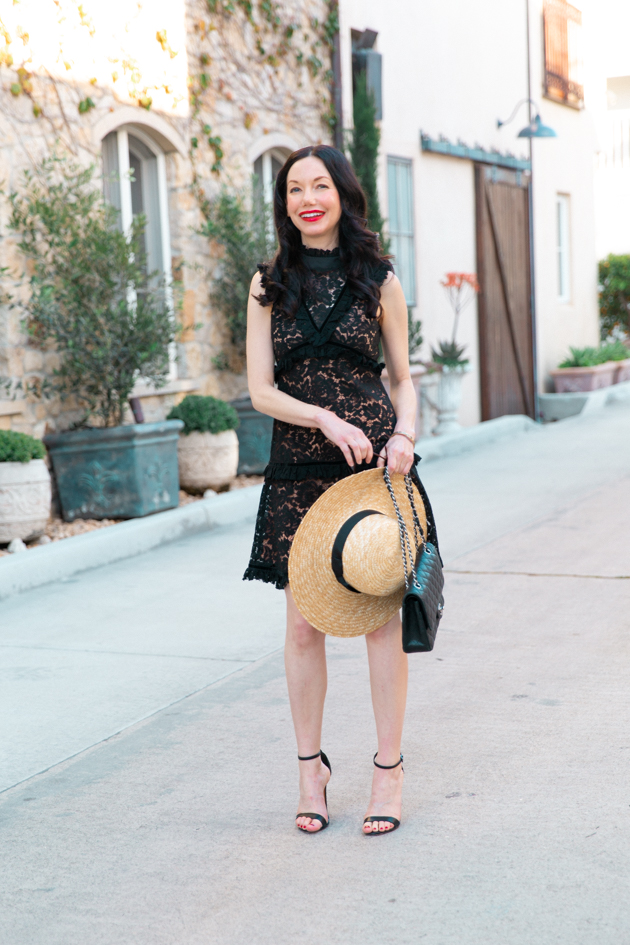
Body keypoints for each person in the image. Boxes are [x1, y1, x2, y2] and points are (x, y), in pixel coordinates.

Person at [244, 145, 438, 834]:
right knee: (303, 625)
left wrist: (405, 436)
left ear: (342, 193)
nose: (306, 198)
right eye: (293, 188)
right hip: (298, 468)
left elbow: (403, 378)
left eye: (318, 184)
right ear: (284, 204)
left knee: (379, 620)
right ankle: (310, 770)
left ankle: (388, 771)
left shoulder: (377, 276)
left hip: (372, 470)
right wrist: (322, 416)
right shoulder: (268, 282)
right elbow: (261, 390)